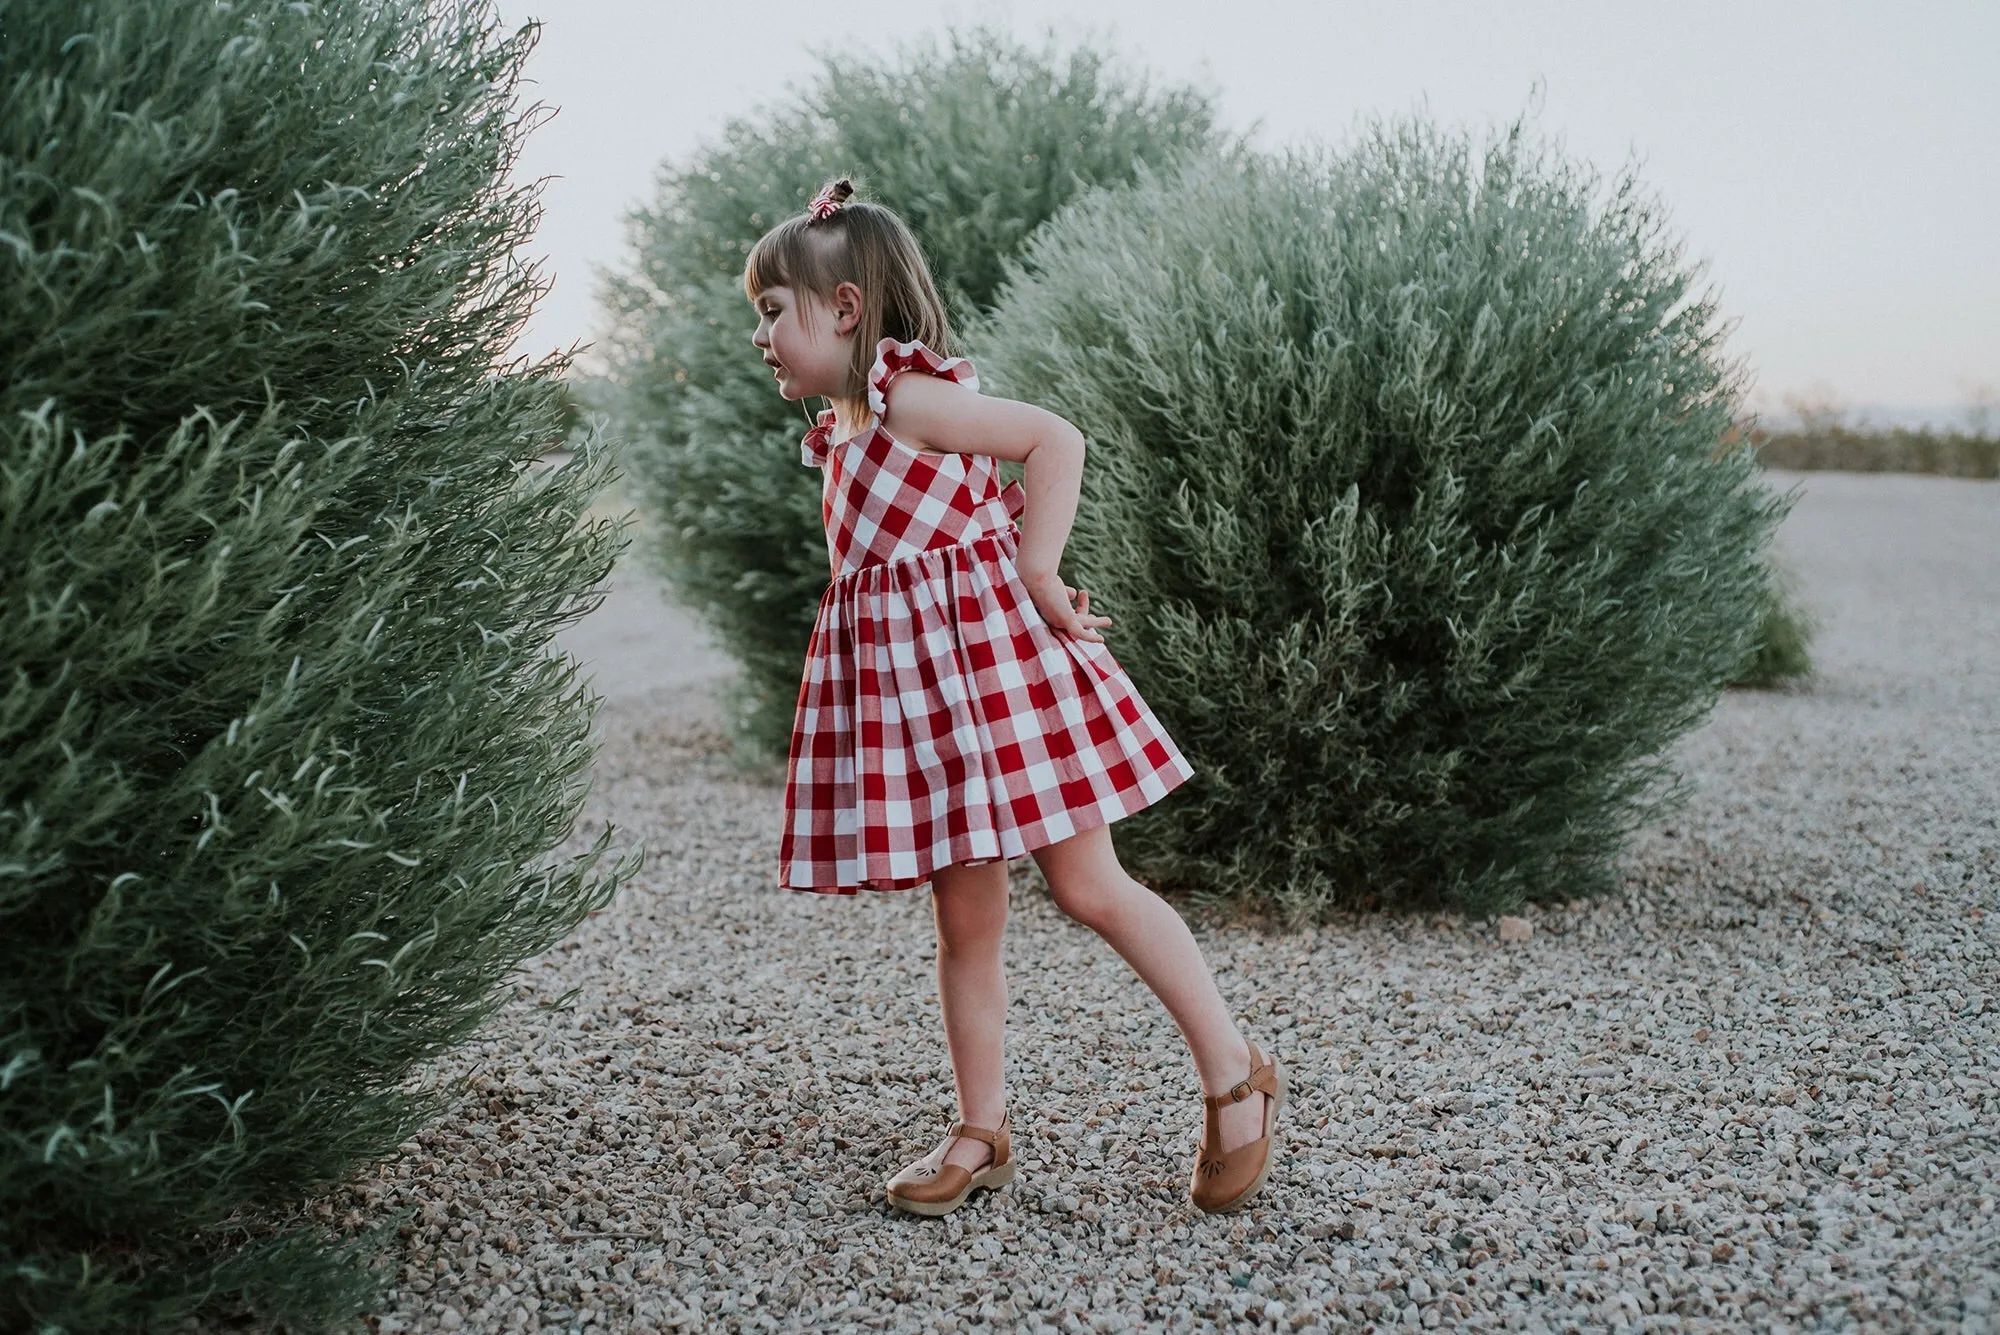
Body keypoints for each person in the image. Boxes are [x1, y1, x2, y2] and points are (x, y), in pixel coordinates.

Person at [746, 177, 1286, 1217]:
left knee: (1089, 888)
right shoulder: (848, 427)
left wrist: (1039, 573)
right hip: (930, 703)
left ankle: (1233, 1072)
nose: (762, 334)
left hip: (997, 684)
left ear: (845, 310)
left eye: (775, 311)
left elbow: (1054, 438)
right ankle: (979, 1129)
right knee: (965, 919)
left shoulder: (910, 399)